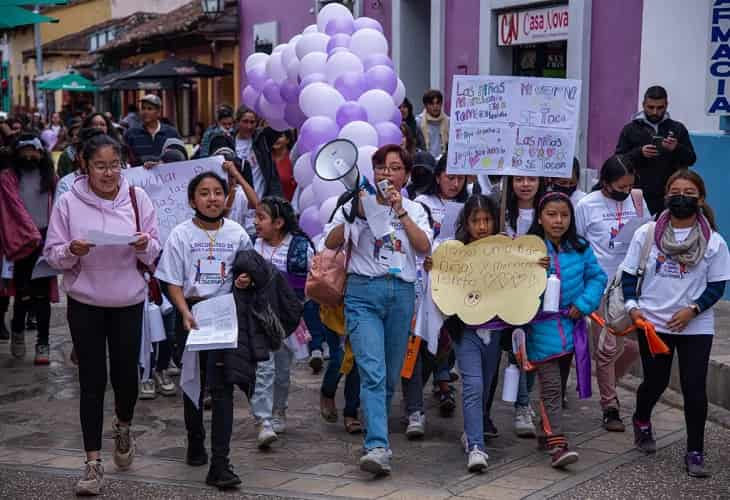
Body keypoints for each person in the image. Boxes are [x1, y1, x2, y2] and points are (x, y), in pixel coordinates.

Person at [43, 134, 161, 496]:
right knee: (92, 382)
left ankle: (123, 424)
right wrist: (72, 250)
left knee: (127, 377)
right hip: (85, 302)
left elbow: (156, 250)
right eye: (100, 166)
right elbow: (52, 254)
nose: (108, 173)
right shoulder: (67, 202)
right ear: (85, 165)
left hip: (128, 300)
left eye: (114, 165)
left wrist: (144, 245)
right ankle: (92, 463)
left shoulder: (137, 198)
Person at [324, 144, 432, 475]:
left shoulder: (415, 209)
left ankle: (377, 434)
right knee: (372, 369)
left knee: (388, 376)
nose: (387, 173)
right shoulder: (356, 203)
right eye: (381, 167)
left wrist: (399, 211)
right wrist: (352, 213)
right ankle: (377, 446)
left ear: (406, 175)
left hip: (400, 294)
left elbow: (424, 246)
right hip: (362, 293)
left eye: (395, 167)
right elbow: (329, 243)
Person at [623, 170, 729, 478]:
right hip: (653, 323)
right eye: (676, 192)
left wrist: (693, 310)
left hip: (695, 326)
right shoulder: (646, 234)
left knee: (694, 388)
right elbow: (629, 276)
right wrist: (632, 308)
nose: (681, 197)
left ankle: (695, 451)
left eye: (689, 193)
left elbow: (717, 285)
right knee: (654, 383)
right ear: (667, 195)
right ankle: (641, 419)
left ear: (700, 199)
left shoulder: (715, 243)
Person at [154, 172, 252, 489]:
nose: (212, 199)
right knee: (193, 382)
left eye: (217, 193)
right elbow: (171, 279)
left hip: (225, 316)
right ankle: (195, 439)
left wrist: (245, 279)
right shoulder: (180, 235)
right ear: (192, 200)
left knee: (223, 389)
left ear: (226, 198)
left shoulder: (238, 233)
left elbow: (251, 270)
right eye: (204, 193)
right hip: (192, 317)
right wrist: (183, 312)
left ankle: (220, 464)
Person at [526, 191, 606, 468]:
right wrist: (531, 268)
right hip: (540, 327)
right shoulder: (528, 249)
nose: (558, 220)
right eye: (551, 214)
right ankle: (557, 443)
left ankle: (544, 430)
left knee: (559, 387)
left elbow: (597, 277)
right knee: (550, 386)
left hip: (572, 328)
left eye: (564, 215)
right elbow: (514, 285)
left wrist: (583, 304)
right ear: (540, 217)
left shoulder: (581, 247)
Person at [575, 155, 649, 432]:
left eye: (630, 186)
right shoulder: (586, 205)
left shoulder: (638, 200)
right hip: (599, 285)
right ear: (605, 183)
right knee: (606, 349)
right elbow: (579, 244)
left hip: (632, 284)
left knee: (632, 347)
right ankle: (610, 406)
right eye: (620, 187)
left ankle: (607, 383)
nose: (626, 192)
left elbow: (648, 235)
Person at [402, 155, 468, 437]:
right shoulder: (420, 206)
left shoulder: (468, 207)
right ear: (438, 175)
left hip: (455, 287)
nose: (454, 183)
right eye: (449, 176)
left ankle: (427, 386)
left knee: (443, 346)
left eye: (460, 178)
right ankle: (414, 410)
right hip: (422, 285)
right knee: (414, 347)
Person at [440, 194, 502, 471]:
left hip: (496, 329)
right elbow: (443, 286)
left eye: (487, 219)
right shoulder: (455, 253)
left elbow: (521, 283)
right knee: (473, 385)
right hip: (466, 331)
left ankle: (471, 431)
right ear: (466, 222)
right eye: (476, 220)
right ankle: (477, 446)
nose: (482, 226)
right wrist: (435, 268)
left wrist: (536, 268)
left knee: (486, 385)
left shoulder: (507, 253)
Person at [249, 196, 318, 444]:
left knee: (281, 371)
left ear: (278, 222)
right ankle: (264, 419)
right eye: (255, 217)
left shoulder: (300, 247)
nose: (255, 222)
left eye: (261, 217)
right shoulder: (252, 246)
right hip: (258, 319)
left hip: (287, 321)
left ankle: (279, 410)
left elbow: (313, 281)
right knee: (263, 368)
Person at [485, 176, 547, 439]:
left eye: (530, 178)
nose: (524, 184)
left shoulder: (547, 210)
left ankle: (523, 405)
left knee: (524, 350)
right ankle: (487, 412)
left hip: (531, 292)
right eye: (518, 179)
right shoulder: (498, 210)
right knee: (494, 353)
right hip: (499, 291)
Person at [0, 135, 58, 364]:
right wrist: (29, 234)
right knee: (23, 294)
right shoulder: (7, 178)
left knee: (42, 296)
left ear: (41, 153)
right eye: (23, 151)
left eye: (32, 151)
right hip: (20, 243)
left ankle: (42, 343)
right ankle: (17, 329)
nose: (28, 155)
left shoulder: (51, 178)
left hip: (45, 241)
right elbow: (10, 209)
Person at [615, 86, 696, 215]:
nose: (655, 112)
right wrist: (640, 153)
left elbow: (691, 159)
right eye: (650, 107)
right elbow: (618, 160)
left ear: (666, 105)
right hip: (638, 193)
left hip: (669, 194)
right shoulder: (630, 129)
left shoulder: (677, 128)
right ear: (643, 105)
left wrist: (676, 148)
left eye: (660, 108)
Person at [233, 106, 283, 235]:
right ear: (237, 122)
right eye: (245, 121)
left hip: (260, 204)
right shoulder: (228, 142)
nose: (249, 126)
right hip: (236, 206)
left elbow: (279, 126)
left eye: (252, 122)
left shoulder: (262, 139)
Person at [124, 95, 181, 167]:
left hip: (166, 176)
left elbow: (179, 158)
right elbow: (126, 158)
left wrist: (161, 163)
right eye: (143, 108)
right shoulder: (131, 133)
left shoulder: (172, 133)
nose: (145, 112)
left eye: (149, 109)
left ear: (158, 111)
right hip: (140, 176)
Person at [263, 128, 297, 202]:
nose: (275, 139)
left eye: (280, 136)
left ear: (287, 140)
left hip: (288, 208)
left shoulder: (293, 159)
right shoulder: (264, 158)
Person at [416, 90, 449, 160]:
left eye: (438, 103)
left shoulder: (448, 121)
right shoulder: (418, 122)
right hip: (425, 162)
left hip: (444, 161)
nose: (435, 106)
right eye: (431, 104)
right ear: (425, 105)